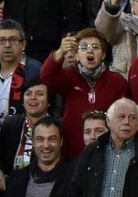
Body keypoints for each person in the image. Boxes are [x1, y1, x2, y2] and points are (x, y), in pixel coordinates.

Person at [41, 29, 129, 159]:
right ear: (76, 55)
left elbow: (123, 117)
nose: (89, 51)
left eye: (95, 47)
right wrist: (60, 52)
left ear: (103, 54)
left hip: (107, 154)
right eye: (83, 47)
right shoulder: (69, 76)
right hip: (72, 153)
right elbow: (46, 76)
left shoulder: (117, 81)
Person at [0, 20, 42, 153]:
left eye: (13, 40)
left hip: (26, 145)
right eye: (2, 40)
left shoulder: (36, 71)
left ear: (24, 44)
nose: (7, 45)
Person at [0, 80, 51, 189]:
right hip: (9, 185)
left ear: (49, 102)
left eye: (39, 94)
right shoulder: (10, 124)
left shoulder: (56, 128)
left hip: (43, 185)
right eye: (28, 93)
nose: (33, 97)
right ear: (23, 101)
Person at [96, 0, 138, 78]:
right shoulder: (124, 24)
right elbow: (103, 33)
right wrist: (112, 6)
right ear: (132, 5)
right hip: (126, 85)